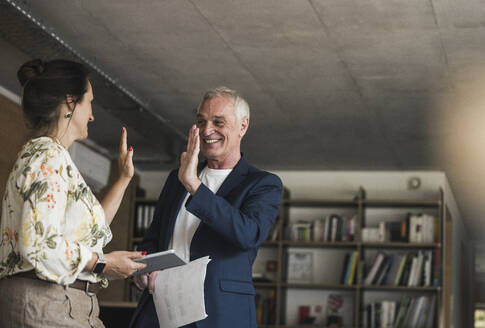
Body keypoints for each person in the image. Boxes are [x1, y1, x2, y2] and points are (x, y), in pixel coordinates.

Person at [0, 59, 146, 327]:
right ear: (71, 102)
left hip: (62, 304)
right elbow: (39, 246)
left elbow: (91, 229)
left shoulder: (49, 157)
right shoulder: (47, 157)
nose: (91, 114)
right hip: (47, 304)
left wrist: (124, 179)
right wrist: (102, 263)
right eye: (89, 102)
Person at [130, 86, 283, 328]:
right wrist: (143, 267)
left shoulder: (263, 184)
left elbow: (247, 234)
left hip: (219, 314)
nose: (207, 130)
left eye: (218, 122)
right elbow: (154, 236)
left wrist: (194, 185)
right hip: (160, 309)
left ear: (243, 126)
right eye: (201, 121)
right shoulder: (176, 178)